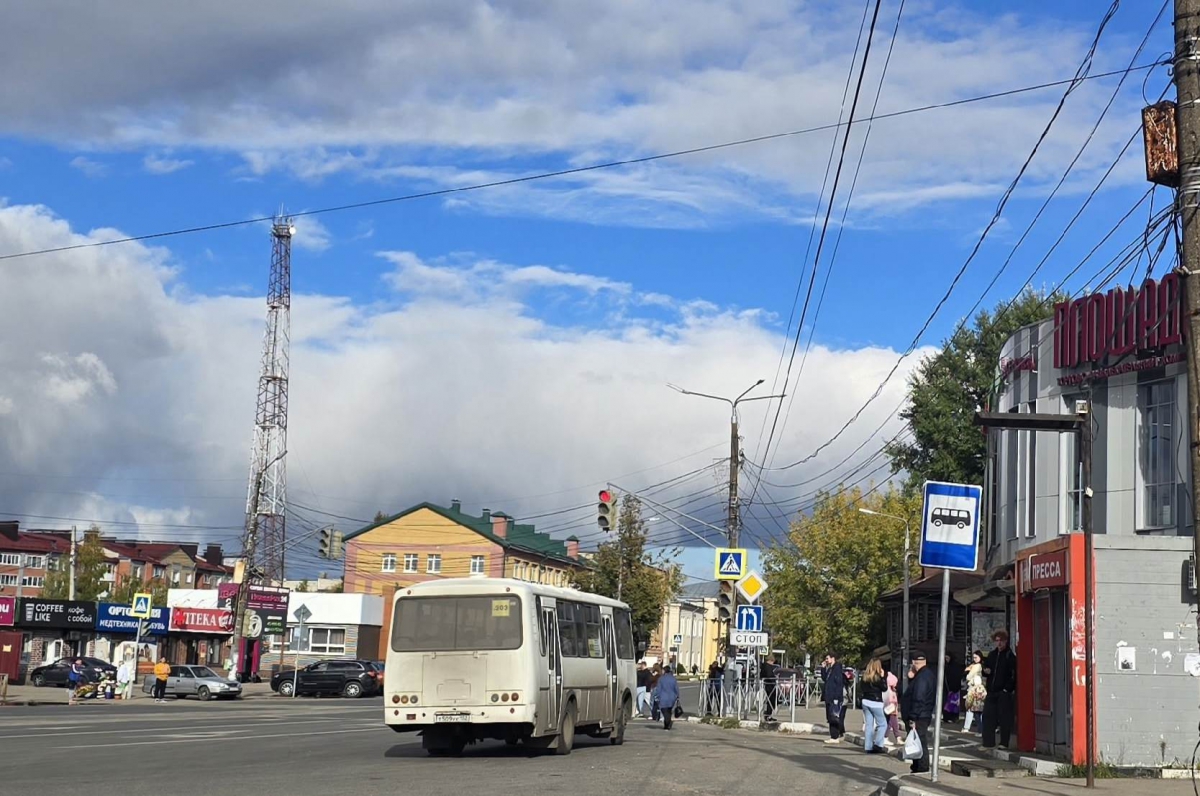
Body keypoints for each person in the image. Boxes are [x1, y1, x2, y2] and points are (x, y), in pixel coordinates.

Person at [901, 653, 936, 774]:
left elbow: (919, 697)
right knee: (918, 740)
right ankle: (917, 765)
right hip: (922, 714)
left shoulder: (922, 677)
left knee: (919, 741)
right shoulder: (925, 675)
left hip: (919, 715)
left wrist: (913, 716)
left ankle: (921, 766)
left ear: (914, 663)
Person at [982, 631, 1017, 749]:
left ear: (1006, 641)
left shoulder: (1009, 656)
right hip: (991, 690)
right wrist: (985, 671)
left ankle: (1004, 742)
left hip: (1003, 692)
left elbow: (1013, 674)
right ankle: (988, 742)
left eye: (1001, 640)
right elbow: (986, 667)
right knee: (988, 717)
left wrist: (1007, 689)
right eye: (997, 640)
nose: (999, 643)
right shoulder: (992, 655)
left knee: (1004, 718)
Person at [859, 658, 887, 753]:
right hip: (876, 702)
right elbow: (884, 688)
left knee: (869, 725)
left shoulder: (865, 677)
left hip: (865, 701)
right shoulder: (877, 677)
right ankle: (878, 745)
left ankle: (868, 747)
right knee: (882, 724)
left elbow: (861, 688)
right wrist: (883, 677)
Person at [822, 653, 847, 744]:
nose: (826, 660)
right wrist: (823, 668)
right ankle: (836, 735)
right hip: (829, 697)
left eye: (827, 658)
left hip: (834, 697)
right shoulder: (830, 669)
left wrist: (836, 697)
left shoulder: (837, 668)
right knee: (831, 717)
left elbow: (838, 684)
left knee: (833, 716)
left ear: (833, 658)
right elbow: (825, 678)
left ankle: (834, 736)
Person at [963, 650, 986, 733]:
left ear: (980, 657)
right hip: (981, 689)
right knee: (978, 710)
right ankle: (980, 729)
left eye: (976, 657)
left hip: (973, 689)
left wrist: (968, 670)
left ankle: (968, 727)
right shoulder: (982, 666)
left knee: (971, 709)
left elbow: (968, 677)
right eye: (974, 657)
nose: (974, 659)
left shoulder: (976, 666)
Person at [654, 665, 681, 730]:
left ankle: (668, 723)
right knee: (669, 710)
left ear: (664, 671)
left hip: (663, 698)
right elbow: (676, 688)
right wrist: (677, 695)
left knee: (664, 711)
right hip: (672, 698)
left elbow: (658, 689)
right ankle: (667, 725)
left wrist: (657, 696)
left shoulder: (661, 679)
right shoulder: (673, 679)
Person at [883, 668, 902, 746]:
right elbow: (892, 699)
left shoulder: (888, 688)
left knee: (892, 722)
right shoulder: (890, 691)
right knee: (891, 722)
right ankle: (886, 737)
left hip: (890, 706)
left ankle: (897, 737)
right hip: (891, 707)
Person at [761, 655, 780, 722]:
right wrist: (774, 679)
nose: (773, 663)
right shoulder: (768, 667)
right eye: (773, 661)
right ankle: (768, 714)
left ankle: (768, 715)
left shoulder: (764, 666)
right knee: (773, 701)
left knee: (771, 701)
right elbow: (769, 676)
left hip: (767, 685)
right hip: (770, 686)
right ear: (771, 660)